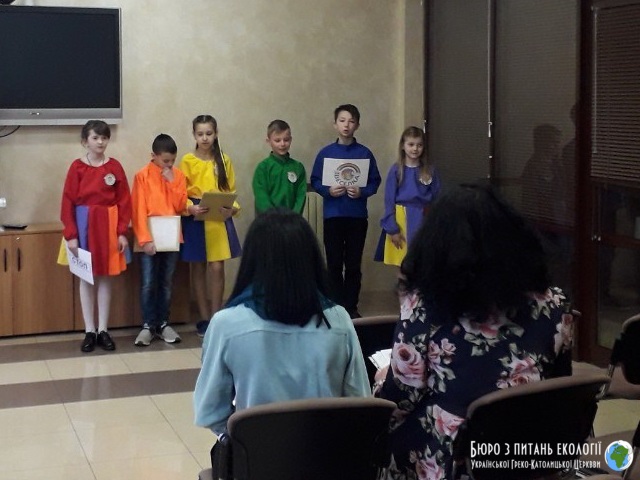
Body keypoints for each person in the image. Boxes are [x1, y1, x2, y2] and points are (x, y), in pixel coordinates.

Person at [375, 184, 575, 480]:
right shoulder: (555, 304)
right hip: (528, 451)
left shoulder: (424, 305)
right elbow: (559, 383)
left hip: (459, 459)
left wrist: (382, 382)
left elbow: (402, 398)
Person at [193, 208, 370, 435]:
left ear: (252, 260)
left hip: (256, 452)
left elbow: (209, 412)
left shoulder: (226, 324)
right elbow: (359, 401)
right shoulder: (338, 319)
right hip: (326, 452)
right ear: (311, 259)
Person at [60, 120, 132, 353]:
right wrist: (71, 234)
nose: (100, 142)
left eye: (104, 138)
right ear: (85, 141)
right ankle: (89, 330)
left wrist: (121, 232)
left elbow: (124, 200)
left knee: (106, 276)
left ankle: (103, 329)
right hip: (84, 226)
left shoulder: (115, 167)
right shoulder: (77, 168)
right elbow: (68, 202)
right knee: (86, 277)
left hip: (108, 225)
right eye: (95, 138)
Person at [310, 104, 381, 318]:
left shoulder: (364, 153)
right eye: (342, 120)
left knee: (353, 264)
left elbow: (375, 181)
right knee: (333, 264)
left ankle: (351, 307)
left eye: (351, 121)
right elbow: (315, 180)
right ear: (335, 124)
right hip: (333, 216)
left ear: (357, 125)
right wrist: (328, 190)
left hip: (357, 217)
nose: (346, 125)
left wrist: (362, 192)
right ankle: (335, 306)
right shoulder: (326, 153)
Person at [178, 115, 241, 337]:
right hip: (196, 214)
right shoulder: (187, 160)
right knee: (198, 266)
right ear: (194, 135)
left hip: (218, 215)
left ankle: (217, 316)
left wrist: (232, 208)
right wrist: (189, 207)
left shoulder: (224, 160)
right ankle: (204, 318)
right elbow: (181, 191)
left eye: (209, 133)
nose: (205, 138)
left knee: (216, 267)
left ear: (216, 134)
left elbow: (231, 190)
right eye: (200, 134)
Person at [131, 134, 187, 346]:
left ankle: (163, 323)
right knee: (148, 283)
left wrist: (172, 183)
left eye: (172, 160)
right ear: (153, 156)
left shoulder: (178, 176)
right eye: (165, 161)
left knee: (166, 282)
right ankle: (148, 325)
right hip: (149, 237)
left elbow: (180, 206)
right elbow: (138, 209)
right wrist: (144, 239)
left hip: (171, 237)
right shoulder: (142, 176)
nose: (169, 164)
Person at [374, 126, 441, 267]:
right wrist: (393, 229)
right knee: (403, 264)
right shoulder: (396, 170)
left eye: (419, 145)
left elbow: (437, 199)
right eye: (411, 144)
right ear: (403, 146)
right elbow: (389, 202)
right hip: (401, 221)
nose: (415, 149)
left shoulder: (430, 170)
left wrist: (435, 224)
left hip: (424, 219)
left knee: (423, 262)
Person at [252, 119, 307, 214]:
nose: (282, 144)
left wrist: (294, 216)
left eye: (286, 140)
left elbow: (300, 196)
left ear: (291, 139)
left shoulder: (298, 167)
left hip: (291, 219)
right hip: (268, 218)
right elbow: (261, 196)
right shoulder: (263, 167)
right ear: (268, 141)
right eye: (277, 140)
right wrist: (274, 216)